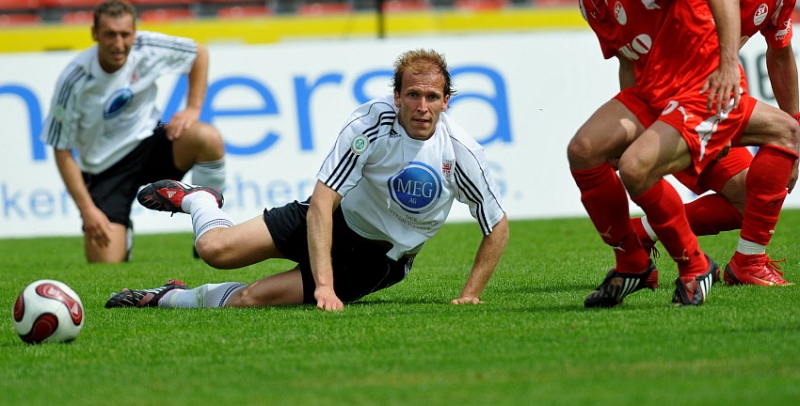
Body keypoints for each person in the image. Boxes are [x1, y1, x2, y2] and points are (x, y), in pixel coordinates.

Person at [515, 0, 799, 307]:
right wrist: (626, 126)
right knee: (583, 151)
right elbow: (629, 62)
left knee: (636, 167)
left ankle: (695, 265)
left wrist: (726, 66)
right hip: (655, 94)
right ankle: (632, 260)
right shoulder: (589, 1)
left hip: (703, 89)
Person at [104, 49, 509, 311]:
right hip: (330, 221)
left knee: (250, 299)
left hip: (376, 260)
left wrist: (471, 292)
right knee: (213, 249)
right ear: (397, 96)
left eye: (432, 97)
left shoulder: (461, 153)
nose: (422, 106)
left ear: (447, 100)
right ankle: (201, 200)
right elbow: (321, 202)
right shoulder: (370, 124)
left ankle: (164, 297)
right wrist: (323, 288)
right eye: (413, 95)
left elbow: (496, 226)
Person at [630, 0, 798, 286]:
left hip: (714, 98)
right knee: (781, 147)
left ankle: (642, 234)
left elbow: (779, 56)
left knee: (754, 199)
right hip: (678, 96)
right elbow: (678, 45)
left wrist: (795, 116)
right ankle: (748, 264)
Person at [41, 0, 226, 264]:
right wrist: (87, 210)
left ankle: (212, 228)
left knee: (207, 138)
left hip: (149, 144)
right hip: (104, 170)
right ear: (94, 34)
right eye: (110, 35)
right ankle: (122, 236)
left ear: (134, 32)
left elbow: (199, 53)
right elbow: (61, 149)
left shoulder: (147, 47)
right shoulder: (75, 79)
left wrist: (193, 109)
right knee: (105, 263)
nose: (119, 44)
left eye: (125, 34)